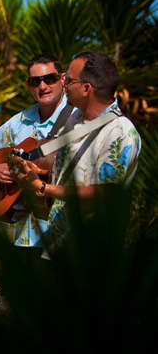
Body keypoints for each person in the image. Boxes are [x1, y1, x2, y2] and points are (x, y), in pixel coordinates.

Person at [16, 51, 140, 242]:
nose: (63, 84)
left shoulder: (120, 131)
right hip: (58, 246)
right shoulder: (75, 119)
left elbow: (102, 194)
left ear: (86, 89)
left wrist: (43, 187)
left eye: (69, 80)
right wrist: (26, 164)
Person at [0, 54, 70, 247]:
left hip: (66, 237)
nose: (43, 86)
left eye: (50, 78)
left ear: (63, 79)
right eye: (35, 81)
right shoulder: (19, 122)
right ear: (28, 84)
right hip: (26, 238)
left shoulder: (78, 118)